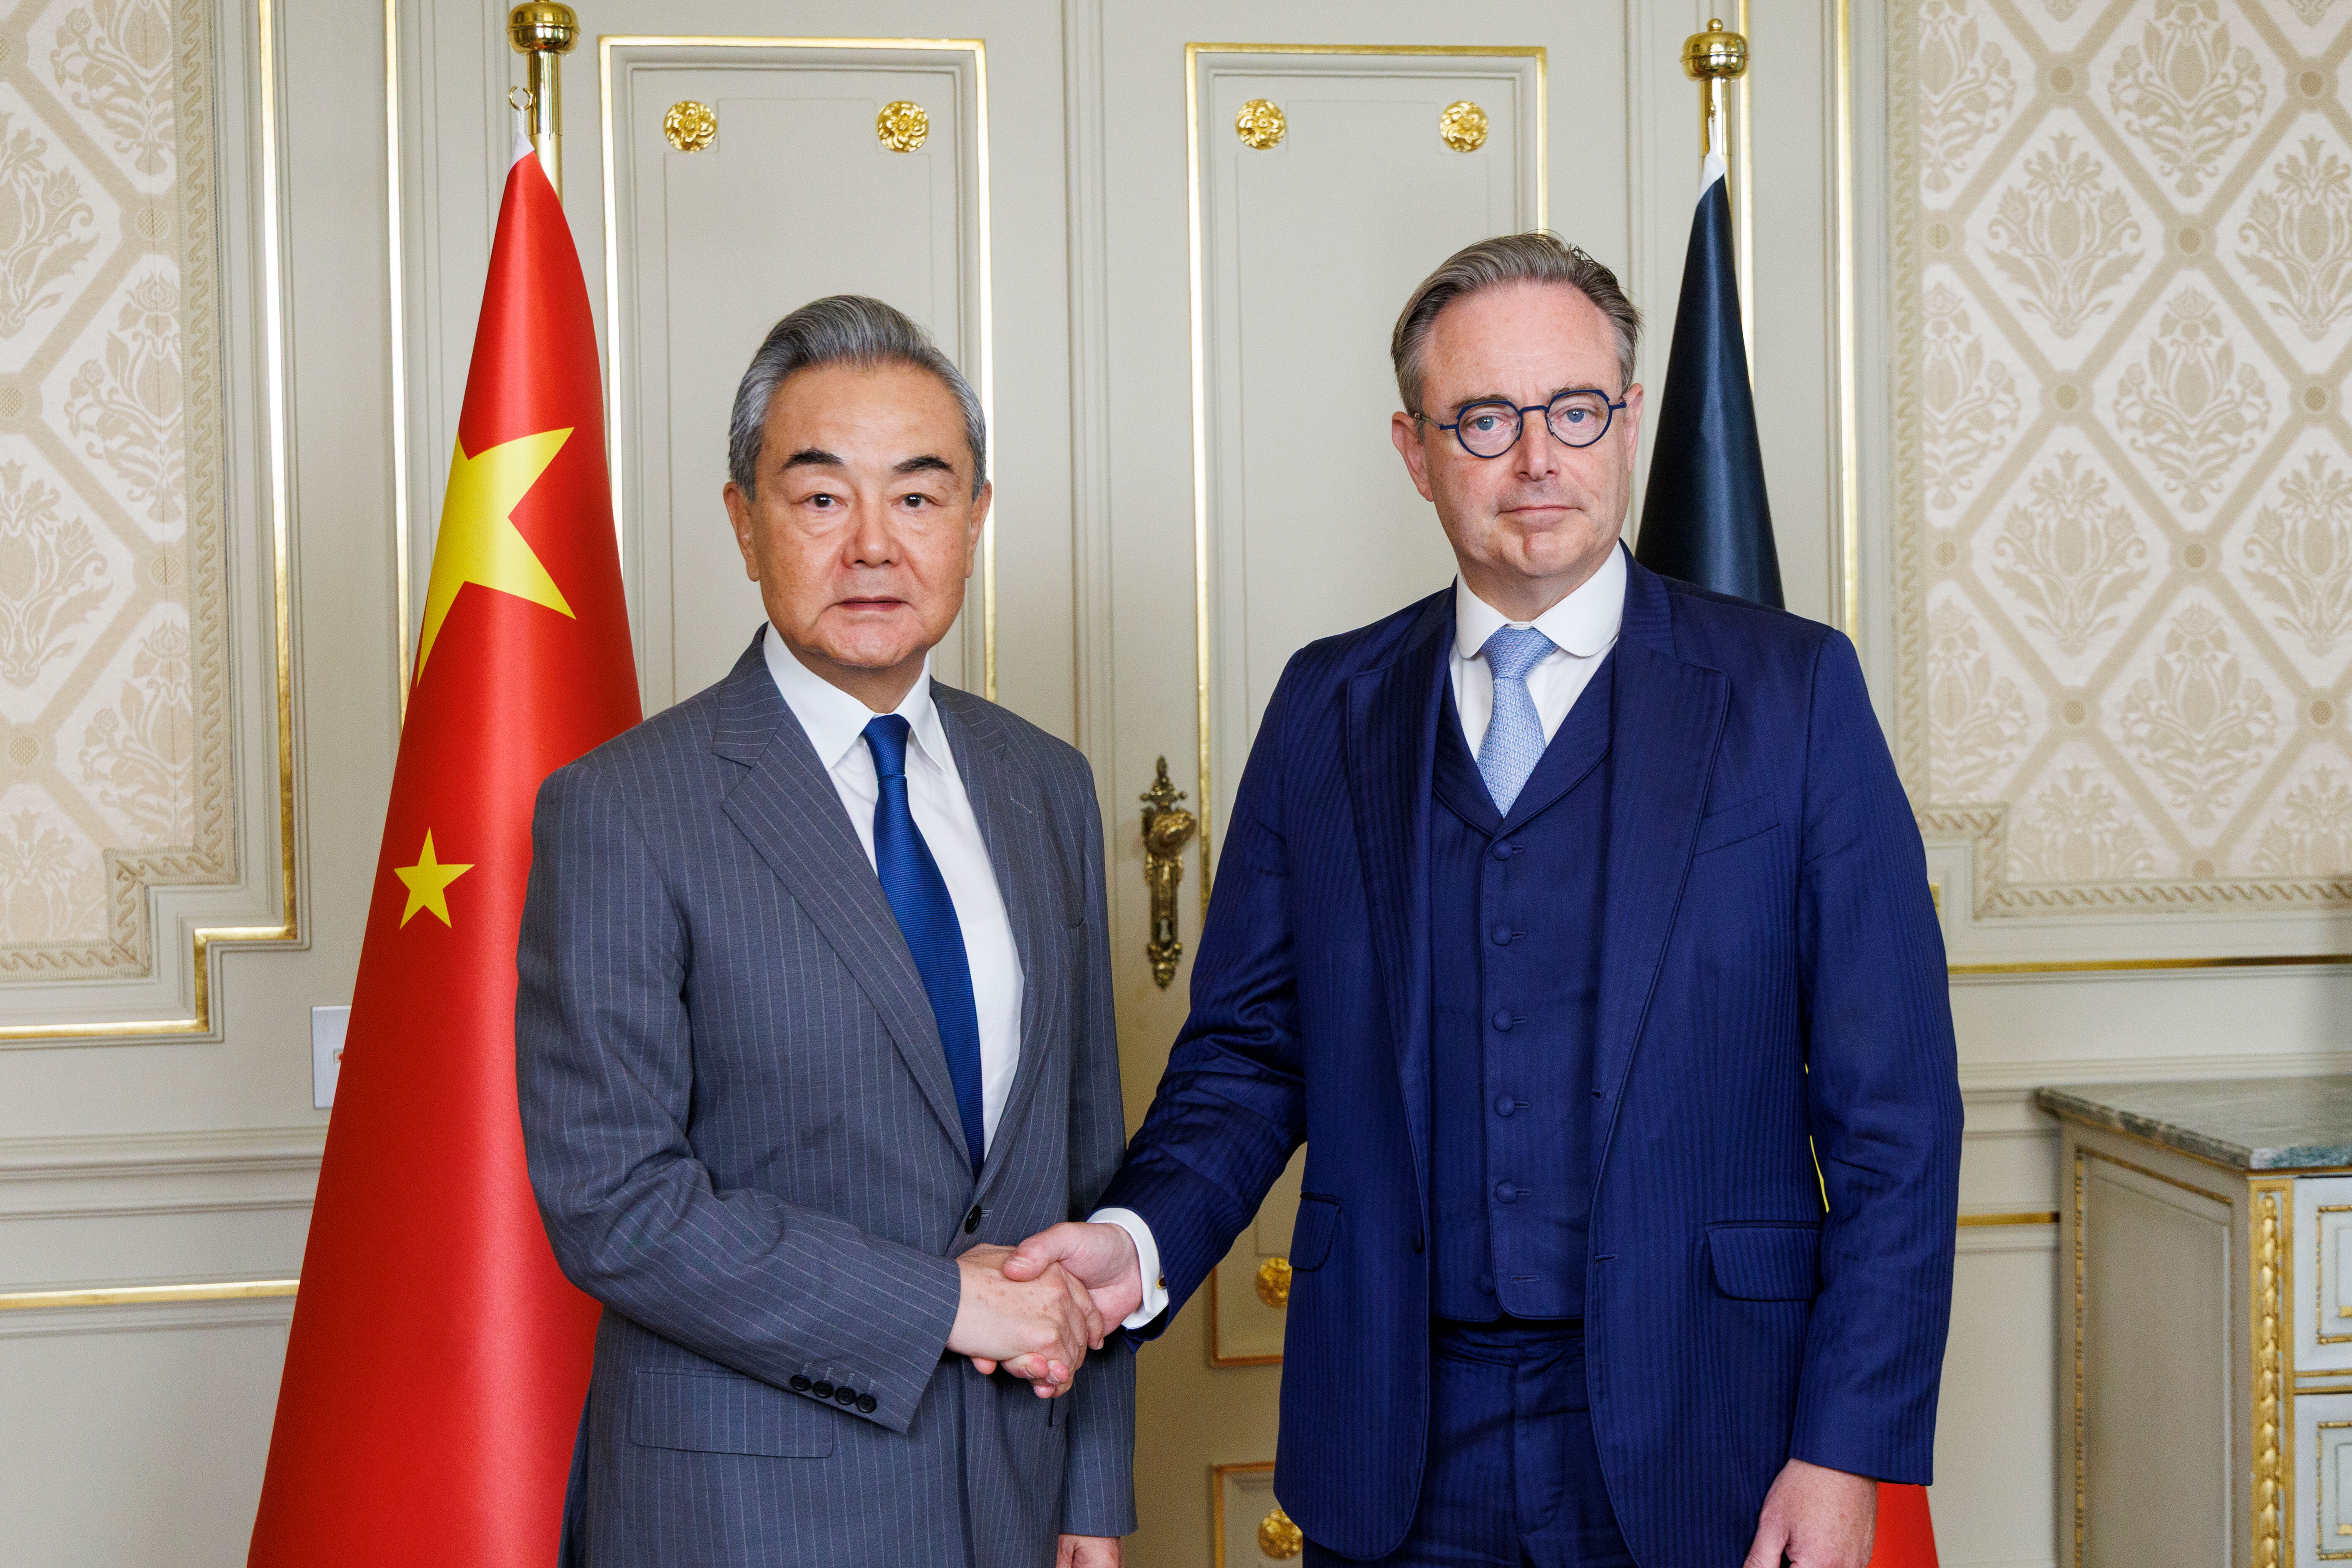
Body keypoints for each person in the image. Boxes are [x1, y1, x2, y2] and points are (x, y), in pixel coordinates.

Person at [1010, 234, 1962, 1568]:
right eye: (1483, 420)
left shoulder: (1791, 695)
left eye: (1573, 411)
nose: (1535, 460)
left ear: (1627, 420)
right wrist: (1137, 1238)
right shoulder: (1325, 703)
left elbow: (1894, 1116)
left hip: (1713, 1431)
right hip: (1394, 1437)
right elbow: (1248, 1055)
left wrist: (1845, 1446)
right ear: (1414, 449)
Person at [517, 295, 1131, 1568]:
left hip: (1013, 1493)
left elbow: (1085, 1162)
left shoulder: (1045, 785)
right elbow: (614, 1204)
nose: (872, 547)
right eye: (818, 498)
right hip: (744, 1515)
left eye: (917, 496)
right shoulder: (624, 807)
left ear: (973, 519)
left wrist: (1090, 1492)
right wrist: (941, 1302)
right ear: (743, 523)